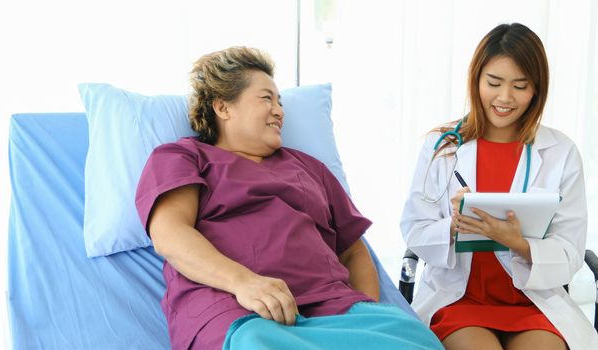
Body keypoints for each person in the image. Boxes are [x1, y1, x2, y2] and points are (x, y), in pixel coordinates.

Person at [135, 46, 443, 350]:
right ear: (223, 107)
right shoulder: (184, 156)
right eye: (266, 98)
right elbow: (170, 234)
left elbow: (353, 251)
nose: (279, 111)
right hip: (240, 310)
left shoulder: (309, 168)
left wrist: (364, 311)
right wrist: (244, 283)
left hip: (334, 307)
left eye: (280, 101)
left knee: (415, 337)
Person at [400, 23, 598, 350]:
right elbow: (415, 231)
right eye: (494, 83)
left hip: (533, 302)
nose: (505, 98)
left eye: (520, 86)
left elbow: (570, 251)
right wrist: (452, 226)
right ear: (476, 79)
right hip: (460, 300)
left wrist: (520, 243)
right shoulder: (442, 146)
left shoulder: (561, 152)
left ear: (537, 89)